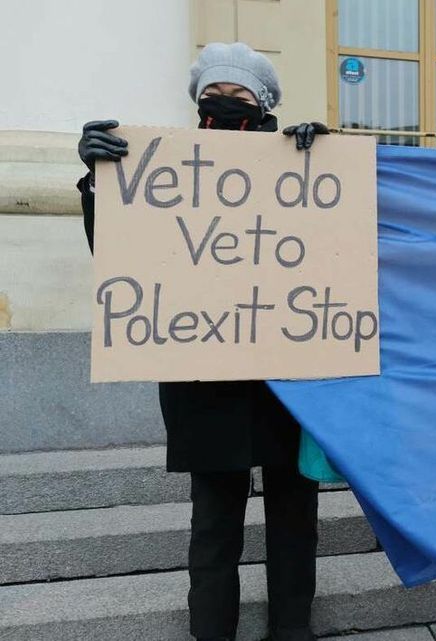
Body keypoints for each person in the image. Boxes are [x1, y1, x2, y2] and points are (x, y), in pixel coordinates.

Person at [77, 42, 329, 641]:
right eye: (212, 95)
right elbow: (124, 257)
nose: (223, 103)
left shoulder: (303, 157)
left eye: (239, 96)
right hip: (204, 380)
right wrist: (98, 182)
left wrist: (329, 162)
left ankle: (291, 630)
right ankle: (211, 632)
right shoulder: (164, 167)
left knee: (295, 521)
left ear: (264, 104)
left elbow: (337, 252)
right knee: (214, 523)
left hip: (289, 381)